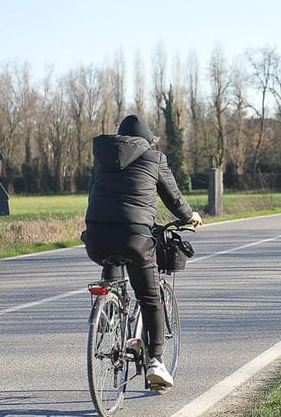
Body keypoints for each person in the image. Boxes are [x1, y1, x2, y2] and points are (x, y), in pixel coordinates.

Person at [83, 114, 202, 390]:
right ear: (148, 140)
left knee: (112, 256)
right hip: (135, 237)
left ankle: (109, 316)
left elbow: (94, 197)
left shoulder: (101, 158)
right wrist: (190, 216)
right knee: (150, 298)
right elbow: (173, 197)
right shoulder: (154, 158)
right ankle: (156, 363)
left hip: (96, 237)